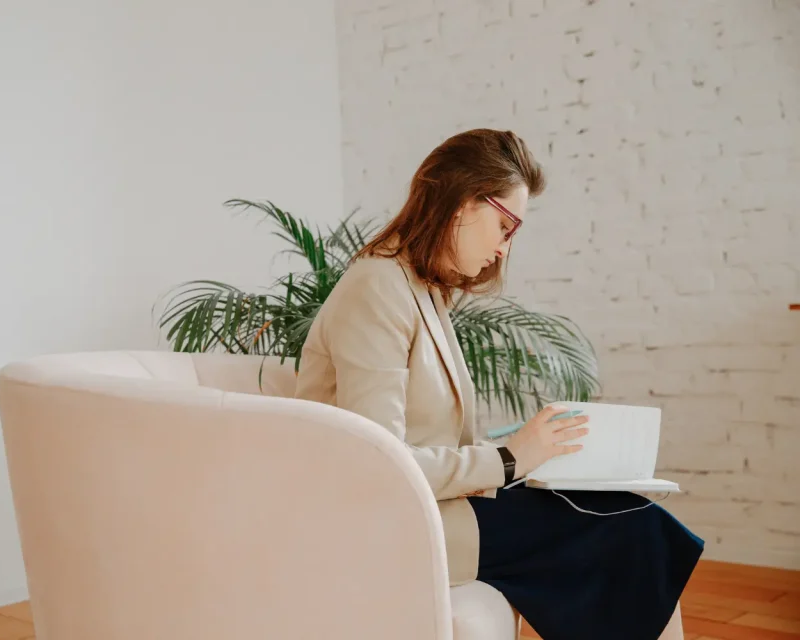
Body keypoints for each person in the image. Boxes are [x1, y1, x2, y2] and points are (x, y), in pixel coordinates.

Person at [293, 128, 704, 640]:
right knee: (632, 529)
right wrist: (511, 459)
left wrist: (525, 456)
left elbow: (426, 443)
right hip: (387, 521)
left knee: (629, 510)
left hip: (432, 507)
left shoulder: (421, 289)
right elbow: (379, 464)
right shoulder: (377, 288)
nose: (505, 249)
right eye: (505, 226)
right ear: (463, 202)